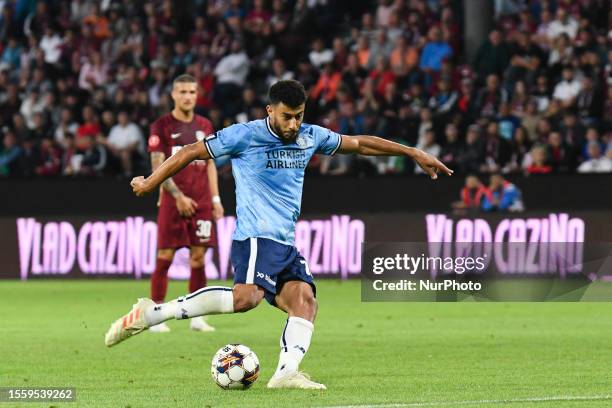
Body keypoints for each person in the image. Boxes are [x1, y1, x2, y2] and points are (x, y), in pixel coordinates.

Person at [105, 80, 452, 390]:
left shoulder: (310, 135)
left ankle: (286, 373)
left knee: (304, 301)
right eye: (287, 116)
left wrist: (413, 152)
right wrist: (151, 183)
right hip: (256, 236)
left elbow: (361, 144)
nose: (293, 124)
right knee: (247, 298)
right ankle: (153, 314)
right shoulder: (245, 135)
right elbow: (191, 151)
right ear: (270, 110)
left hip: (285, 241)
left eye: (299, 115)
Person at [146, 74, 224, 333]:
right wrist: (177, 196)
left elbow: (211, 163)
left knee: (199, 257)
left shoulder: (205, 125)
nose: (188, 96)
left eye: (192, 92)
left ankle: (197, 316)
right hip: (172, 200)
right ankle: (156, 314)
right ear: (173, 95)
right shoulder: (162, 126)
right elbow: (157, 167)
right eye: (182, 92)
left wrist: (215, 198)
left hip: (201, 201)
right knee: (165, 254)